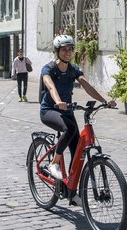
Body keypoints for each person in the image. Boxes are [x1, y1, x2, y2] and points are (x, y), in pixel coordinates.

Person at [40, 35, 116, 181]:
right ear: (57, 51)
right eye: (64, 50)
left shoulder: (73, 69)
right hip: (49, 110)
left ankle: (71, 188)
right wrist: (58, 101)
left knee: (77, 151)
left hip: (66, 111)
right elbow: (50, 86)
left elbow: (87, 86)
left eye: (70, 49)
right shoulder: (49, 69)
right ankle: (54, 163)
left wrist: (105, 101)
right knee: (70, 129)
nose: (67, 52)